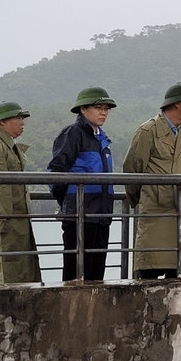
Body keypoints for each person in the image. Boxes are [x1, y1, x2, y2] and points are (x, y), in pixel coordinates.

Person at [123, 82, 181, 278]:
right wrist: (140, 197)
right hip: (156, 209)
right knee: (151, 268)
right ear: (177, 104)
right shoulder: (148, 131)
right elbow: (133, 168)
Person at [47, 87, 117, 281]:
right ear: (83, 109)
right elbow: (56, 172)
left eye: (106, 109)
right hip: (79, 216)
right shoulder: (72, 134)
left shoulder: (102, 139)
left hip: (101, 215)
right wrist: (68, 203)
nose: (103, 112)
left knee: (97, 275)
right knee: (76, 274)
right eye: (98, 108)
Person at [0, 101, 42, 286]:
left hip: (14, 220)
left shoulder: (7, 145)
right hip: (1, 223)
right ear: (2, 122)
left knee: (18, 272)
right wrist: (0, 221)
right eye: (18, 118)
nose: (22, 122)